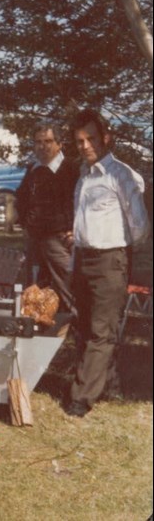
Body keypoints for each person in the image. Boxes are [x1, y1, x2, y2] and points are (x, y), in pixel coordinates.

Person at [66, 109, 150, 418]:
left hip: (110, 259)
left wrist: (121, 253)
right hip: (85, 259)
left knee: (102, 330)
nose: (85, 145)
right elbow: (79, 225)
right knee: (86, 326)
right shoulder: (83, 179)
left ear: (106, 138)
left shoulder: (121, 175)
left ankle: (80, 398)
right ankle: (108, 384)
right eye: (79, 141)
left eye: (90, 138)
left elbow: (139, 224)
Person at [16, 123, 78, 313]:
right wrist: (27, 224)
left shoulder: (70, 170)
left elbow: (78, 204)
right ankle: (43, 332)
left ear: (59, 144)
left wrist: (72, 231)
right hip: (35, 238)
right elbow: (21, 198)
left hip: (59, 241)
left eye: (48, 141)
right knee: (35, 287)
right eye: (38, 142)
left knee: (69, 286)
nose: (43, 146)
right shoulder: (34, 170)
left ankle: (79, 331)